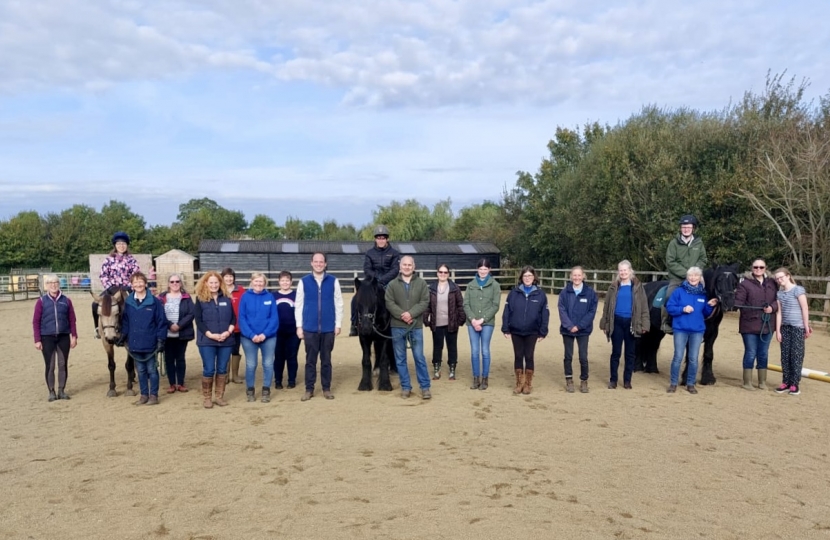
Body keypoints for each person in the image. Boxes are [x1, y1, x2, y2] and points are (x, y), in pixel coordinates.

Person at [295, 253, 343, 401]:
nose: (318, 264)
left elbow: (339, 303)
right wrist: (299, 326)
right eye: (316, 261)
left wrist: (338, 324)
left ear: (325, 264)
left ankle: (326, 388)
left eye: (321, 262)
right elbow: (299, 305)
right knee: (310, 360)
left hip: (328, 328)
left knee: (326, 360)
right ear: (311, 263)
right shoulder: (303, 281)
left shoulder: (333, 281)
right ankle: (309, 389)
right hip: (309, 328)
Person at [665, 267, 718, 394]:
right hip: (680, 329)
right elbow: (670, 307)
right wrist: (682, 309)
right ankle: (673, 383)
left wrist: (709, 306)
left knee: (693, 358)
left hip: (697, 331)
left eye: (696, 276)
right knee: (678, 356)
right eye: (690, 276)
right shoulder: (679, 292)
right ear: (687, 277)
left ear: (700, 278)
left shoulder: (703, 294)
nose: (693, 278)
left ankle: (690, 383)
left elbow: (704, 313)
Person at [599, 260, 650, 390]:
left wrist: (645, 324)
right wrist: (604, 323)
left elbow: (644, 306)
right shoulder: (614, 287)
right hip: (616, 321)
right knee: (616, 352)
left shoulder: (638, 287)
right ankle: (613, 380)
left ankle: (627, 380)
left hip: (632, 323)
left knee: (630, 353)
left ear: (630, 271)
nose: (623, 273)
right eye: (620, 270)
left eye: (625, 270)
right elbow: (607, 306)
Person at [386, 255, 431, 399]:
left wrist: (411, 314)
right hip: (397, 326)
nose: (407, 267)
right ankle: (405, 386)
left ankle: (425, 387)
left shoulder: (422, 284)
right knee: (400, 359)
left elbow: (424, 301)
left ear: (414, 266)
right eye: (404, 264)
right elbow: (389, 302)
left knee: (419, 357)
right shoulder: (392, 285)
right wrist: (402, 315)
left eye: (409, 265)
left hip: (415, 326)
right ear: (400, 266)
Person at [121, 271, 167, 405]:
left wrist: (160, 340)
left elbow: (161, 321)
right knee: (140, 370)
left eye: (141, 281)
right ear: (132, 285)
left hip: (150, 341)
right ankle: (143, 395)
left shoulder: (154, 302)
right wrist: (123, 335)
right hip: (135, 343)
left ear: (145, 283)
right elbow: (126, 321)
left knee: (152, 369)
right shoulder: (128, 302)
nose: (138, 284)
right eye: (135, 282)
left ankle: (153, 395)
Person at [502, 266, 550, 395]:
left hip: (532, 331)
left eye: (530, 276)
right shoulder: (514, 293)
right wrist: (505, 328)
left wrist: (543, 331)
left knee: (529, 356)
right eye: (525, 276)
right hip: (516, 330)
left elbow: (545, 314)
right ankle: (519, 383)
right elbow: (507, 311)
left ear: (534, 277)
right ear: (521, 278)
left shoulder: (540, 295)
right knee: (518, 356)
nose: (527, 278)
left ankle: (528, 384)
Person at [193, 271, 236, 408]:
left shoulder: (227, 298)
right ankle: (207, 397)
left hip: (226, 340)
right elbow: (198, 320)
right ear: (206, 283)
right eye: (211, 282)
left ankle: (219, 396)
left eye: (216, 282)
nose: (214, 285)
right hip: (207, 341)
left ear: (220, 283)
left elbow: (233, 318)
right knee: (209, 369)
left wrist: (228, 331)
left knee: (222, 369)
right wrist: (210, 334)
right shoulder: (200, 299)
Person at [734, 259, 778, 390]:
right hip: (749, 324)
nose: (758, 269)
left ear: (765, 268)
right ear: (752, 268)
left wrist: (772, 308)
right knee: (751, 352)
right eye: (755, 267)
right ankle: (747, 381)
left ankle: (762, 381)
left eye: (761, 267)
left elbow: (778, 299)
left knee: (763, 352)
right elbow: (739, 302)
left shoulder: (772, 283)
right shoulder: (745, 284)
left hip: (768, 323)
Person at [33, 275, 78, 401]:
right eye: (50, 283)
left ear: (59, 284)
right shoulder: (41, 301)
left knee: (62, 364)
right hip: (47, 337)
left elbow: (72, 320)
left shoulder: (66, 300)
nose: (53, 285)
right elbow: (35, 321)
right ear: (46, 285)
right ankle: (51, 391)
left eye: (56, 282)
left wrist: (74, 336)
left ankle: (61, 390)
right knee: (50, 365)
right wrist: (37, 339)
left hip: (63, 336)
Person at [349, 225, 401, 336]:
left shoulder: (394, 253)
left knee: (399, 298)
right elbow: (367, 269)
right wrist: (376, 279)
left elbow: (395, 269)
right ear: (375, 239)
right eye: (378, 238)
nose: (381, 240)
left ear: (387, 239)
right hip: (373, 282)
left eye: (383, 238)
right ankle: (354, 323)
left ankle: (398, 323)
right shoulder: (369, 253)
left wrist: (383, 280)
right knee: (355, 299)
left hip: (389, 282)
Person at [661, 215, 708, 334]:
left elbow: (703, 259)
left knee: (708, 296)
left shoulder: (699, 243)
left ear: (693, 228)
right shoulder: (673, 243)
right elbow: (670, 261)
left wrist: (695, 272)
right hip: (677, 279)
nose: (686, 229)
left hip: (696, 278)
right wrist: (686, 273)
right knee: (668, 296)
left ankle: (706, 323)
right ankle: (666, 322)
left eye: (688, 227)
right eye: (683, 227)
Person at [238, 272, 279, 403]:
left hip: (268, 337)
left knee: (268, 363)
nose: (258, 284)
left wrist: (264, 334)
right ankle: (250, 390)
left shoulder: (270, 297)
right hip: (248, 338)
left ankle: (266, 390)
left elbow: (274, 319)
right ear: (251, 282)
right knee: (251, 364)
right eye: (256, 281)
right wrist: (252, 335)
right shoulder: (245, 297)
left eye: (261, 282)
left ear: (265, 283)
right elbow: (242, 318)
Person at [557, 266, 598, 394]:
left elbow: (591, 312)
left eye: (579, 275)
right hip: (567, 330)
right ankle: (569, 379)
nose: (577, 278)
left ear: (583, 276)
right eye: (574, 275)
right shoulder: (565, 292)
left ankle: (584, 380)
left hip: (583, 330)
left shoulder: (590, 293)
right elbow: (561, 309)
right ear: (571, 276)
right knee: (568, 356)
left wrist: (579, 326)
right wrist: (570, 326)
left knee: (583, 356)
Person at [92, 231, 139, 338]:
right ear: (115, 246)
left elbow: (136, 275)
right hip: (111, 288)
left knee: (135, 305)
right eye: (119, 244)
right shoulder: (108, 260)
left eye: (123, 244)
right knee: (95, 304)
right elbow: (103, 275)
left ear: (127, 245)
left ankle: (133, 328)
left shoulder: (132, 260)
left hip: (126, 288)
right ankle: (97, 329)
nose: (121, 246)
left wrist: (130, 286)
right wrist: (109, 286)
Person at [773, 267, 812, 396]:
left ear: (788, 276)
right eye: (777, 279)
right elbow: (779, 313)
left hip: (797, 327)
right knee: (785, 356)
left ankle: (795, 384)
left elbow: (804, 308)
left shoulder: (798, 290)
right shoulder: (779, 293)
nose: (779, 280)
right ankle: (786, 382)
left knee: (796, 355)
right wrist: (778, 330)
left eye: (781, 277)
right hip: (785, 327)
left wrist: (806, 326)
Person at [423, 264, 466, 381]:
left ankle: (452, 368)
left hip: (451, 322)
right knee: (437, 346)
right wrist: (426, 318)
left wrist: (461, 319)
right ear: (437, 273)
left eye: (445, 272)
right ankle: (436, 368)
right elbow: (427, 305)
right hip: (436, 323)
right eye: (441, 272)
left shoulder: (454, 288)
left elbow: (460, 305)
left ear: (448, 274)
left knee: (452, 346)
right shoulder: (431, 288)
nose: (443, 274)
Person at [464, 258, 501, 390]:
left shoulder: (495, 285)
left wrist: (482, 320)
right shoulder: (470, 285)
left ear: (489, 270)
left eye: (485, 269)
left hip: (487, 323)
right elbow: (466, 304)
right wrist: (473, 319)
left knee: (485, 350)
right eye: (481, 269)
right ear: (477, 269)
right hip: (471, 323)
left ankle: (485, 378)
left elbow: (495, 305)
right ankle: (476, 378)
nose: (483, 271)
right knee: (474, 351)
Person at [157, 273, 195, 394]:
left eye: (177, 281)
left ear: (180, 283)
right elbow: (159, 314)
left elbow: (191, 313)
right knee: (169, 359)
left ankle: (181, 383)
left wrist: (179, 325)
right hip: (166, 334)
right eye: (172, 282)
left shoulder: (186, 297)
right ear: (168, 284)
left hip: (181, 333)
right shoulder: (161, 298)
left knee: (180, 358)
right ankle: (172, 383)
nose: (175, 284)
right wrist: (169, 325)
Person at [273, 271, 301, 389]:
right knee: (278, 357)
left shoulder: (297, 296)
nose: (285, 283)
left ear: (291, 282)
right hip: (277, 332)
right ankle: (278, 381)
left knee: (292, 356)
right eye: (282, 280)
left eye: (287, 280)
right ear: (279, 282)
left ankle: (291, 380)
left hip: (293, 332)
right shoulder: (273, 296)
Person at [221, 268, 246, 384]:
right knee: (225, 351)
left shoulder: (241, 290)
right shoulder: (219, 290)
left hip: (238, 327)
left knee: (235, 350)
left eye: (231, 276)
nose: (229, 279)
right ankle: (224, 375)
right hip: (223, 328)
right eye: (226, 276)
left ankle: (235, 375)